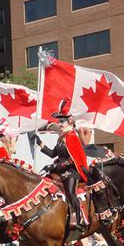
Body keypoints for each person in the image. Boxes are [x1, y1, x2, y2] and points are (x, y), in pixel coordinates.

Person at [31, 99, 88, 231]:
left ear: (69, 122)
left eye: (62, 121)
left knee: (69, 191)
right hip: (60, 169)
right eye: (59, 121)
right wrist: (39, 143)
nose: (60, 124)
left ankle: (78, 218)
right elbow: (52, 154)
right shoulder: (61, 138)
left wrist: (55, 167)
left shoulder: (72, 136)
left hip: (71, 171)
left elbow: (72, 160)